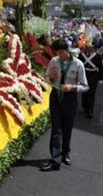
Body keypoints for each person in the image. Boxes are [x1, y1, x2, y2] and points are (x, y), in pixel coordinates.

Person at [41, 39, 89, 172]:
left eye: (61, 52)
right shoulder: (54, 61)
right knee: (56, 129)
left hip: (70, 98)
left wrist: (72, 87)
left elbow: (85, 86)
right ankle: (55, 159)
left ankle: (65, 153)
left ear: (67, 50)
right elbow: (45, 78)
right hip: (56, 96)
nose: (59, 55)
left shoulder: (78, 64)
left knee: (67, 128)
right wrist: (50, 76)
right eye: (57, 52)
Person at [78, 41, 103, 118]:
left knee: (91, 93)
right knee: (84, 92)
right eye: (87, 47)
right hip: (84, 75)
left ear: (92, 48)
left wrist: (101, 78)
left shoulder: (97, 56)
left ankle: (90, 110)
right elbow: (79, 66)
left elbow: (101, 67)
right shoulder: (81, 55)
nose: (88, 48)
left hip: (93, 76)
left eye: (90, 47)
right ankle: (85, 106)